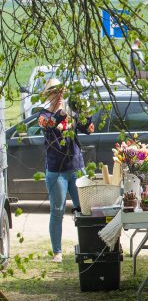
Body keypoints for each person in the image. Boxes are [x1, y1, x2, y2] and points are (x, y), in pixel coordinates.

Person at [39, 78, 94, 262]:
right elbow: (50, 124)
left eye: (61, 91)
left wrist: (85, 113)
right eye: (55, 91)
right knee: (57, 211)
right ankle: (57, 252)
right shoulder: (44, 115)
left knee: (85, 210)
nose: (60, 94)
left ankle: (88, 247)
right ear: (49, 94)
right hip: (56, 171)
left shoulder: (70, 112)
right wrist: (61, 113)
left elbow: (89, 129)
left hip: (76, 167)